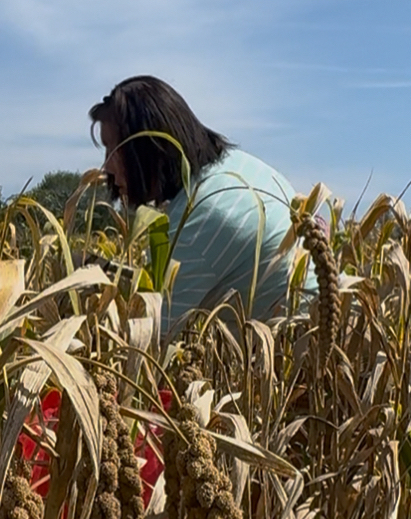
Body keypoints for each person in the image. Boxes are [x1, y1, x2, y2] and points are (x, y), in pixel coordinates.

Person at [89, 75, 313, 330]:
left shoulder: (196, 219)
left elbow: (152, 344)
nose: (106, 166)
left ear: (150, 147)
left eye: (115, 149)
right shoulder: (242, 166)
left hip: (295, 358)